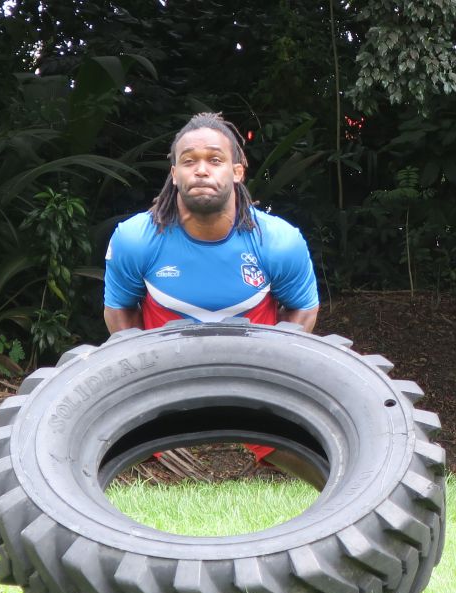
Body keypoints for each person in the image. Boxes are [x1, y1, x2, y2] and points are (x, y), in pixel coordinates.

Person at [103, 111, 325, 490]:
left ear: (238, 172)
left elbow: (303, 307)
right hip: (164, 377)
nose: (201, 170)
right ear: (174, 173)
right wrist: (142, 373)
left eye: (215, 160)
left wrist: (278, 364)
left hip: (255, 376)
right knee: (91, 453)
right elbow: (119, 309)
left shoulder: (278, 241)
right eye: (189, 161)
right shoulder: (135, 239)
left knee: (328, 464)